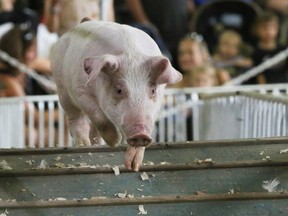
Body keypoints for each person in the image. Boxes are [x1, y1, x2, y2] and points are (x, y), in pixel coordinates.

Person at [252, 11, 288, 84]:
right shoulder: (255, 52)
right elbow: (259, 76)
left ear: (278, 29)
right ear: (256, 29)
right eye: (264, 28)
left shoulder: (284, 50)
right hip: (267, 89)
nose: (268, 32)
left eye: (272, 27)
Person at [43, 0, 115, 36]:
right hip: (69, 46)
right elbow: (51, 29)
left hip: (96, 43)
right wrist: (54, 5)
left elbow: (111, 25)